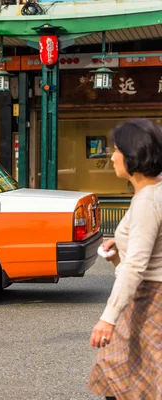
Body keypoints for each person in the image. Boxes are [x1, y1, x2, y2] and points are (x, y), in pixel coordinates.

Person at [88, 119, 162, 400]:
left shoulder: (146, 202)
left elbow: (135, 267)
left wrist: (107, 319)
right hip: (151, 298)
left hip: (148, 301)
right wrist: (120, 246)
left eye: (117, 150)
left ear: (133, 155)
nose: (112, 156)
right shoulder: (155, 190)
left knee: (124, 377)